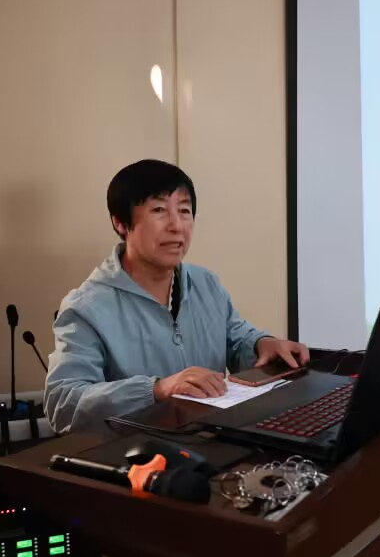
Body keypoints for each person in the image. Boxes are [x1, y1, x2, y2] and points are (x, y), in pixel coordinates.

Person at [44, 160, 308, 433]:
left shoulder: (206, 283)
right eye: (158, 210)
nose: (177, 226)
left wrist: (261, 344)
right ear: (120, 223)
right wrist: (156, 389)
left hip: (214, 442)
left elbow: (235, 337)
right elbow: (62, 403)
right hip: (137, 452)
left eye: (184, 210)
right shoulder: (86, 307)